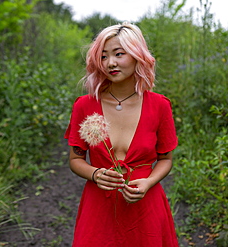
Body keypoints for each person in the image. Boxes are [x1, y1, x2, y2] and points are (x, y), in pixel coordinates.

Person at [64, 22, 179, 247]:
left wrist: (148, 182)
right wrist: (95, 173)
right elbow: (75, 159)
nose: (110, 63)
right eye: (104, 56)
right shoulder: (85, 106)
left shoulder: (159, 106)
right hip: (99, 206)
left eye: (119, 54)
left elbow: (165, 160)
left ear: (138, 55)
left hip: (145, 205)